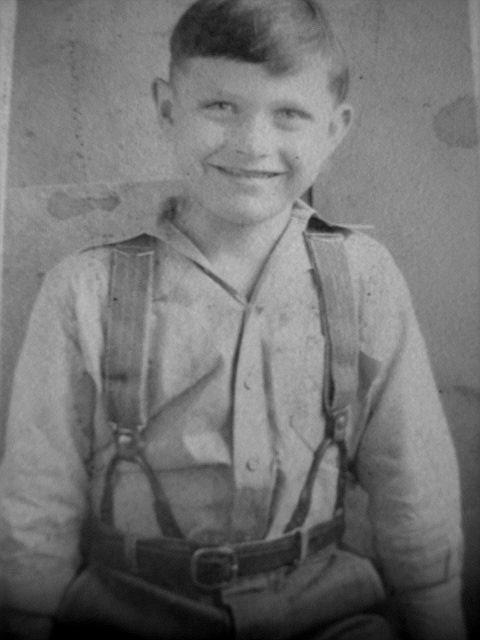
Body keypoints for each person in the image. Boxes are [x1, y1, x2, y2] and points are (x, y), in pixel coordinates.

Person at [0, 1, 466, 639]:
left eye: (290, 114)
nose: (253, 145)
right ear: (168, 109)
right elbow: (38, 494)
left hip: (326, 613)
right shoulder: (84, 288)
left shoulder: (362, 276)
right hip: (131, 612)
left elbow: (413, 477)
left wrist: (436, 616)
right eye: (220, 106)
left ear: (335, 128)